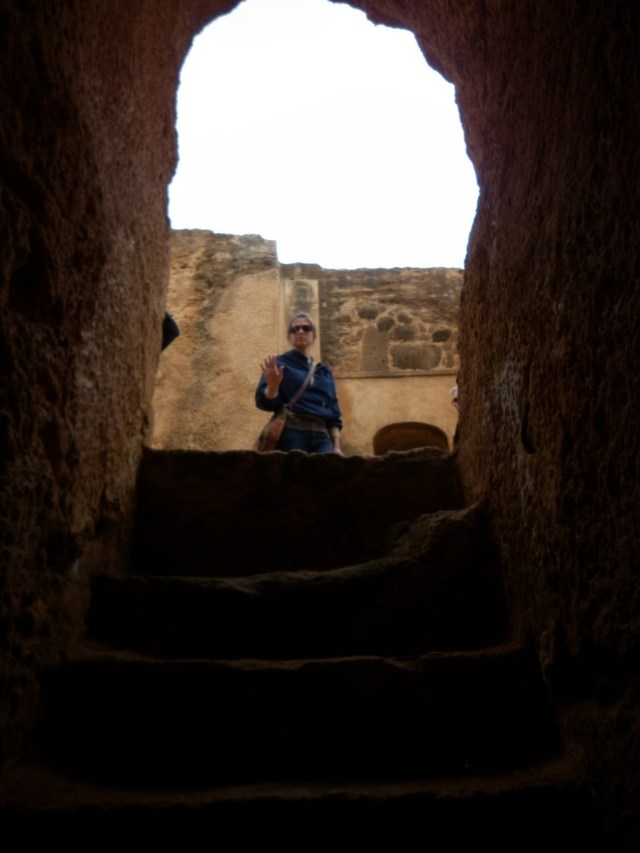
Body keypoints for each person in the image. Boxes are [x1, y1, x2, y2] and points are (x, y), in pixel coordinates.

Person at [256, 311, 343, 454]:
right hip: (292, 431)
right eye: (294, 329)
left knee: (327, 474)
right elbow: (263, 402)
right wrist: (272, 388)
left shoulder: (324, 371)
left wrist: (336, 447)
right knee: (294, 475)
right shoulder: (279, 364)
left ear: (314, 335)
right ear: (289, 337)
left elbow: (334, 411)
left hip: (321, 435)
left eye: (306, 328)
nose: (300, 331)